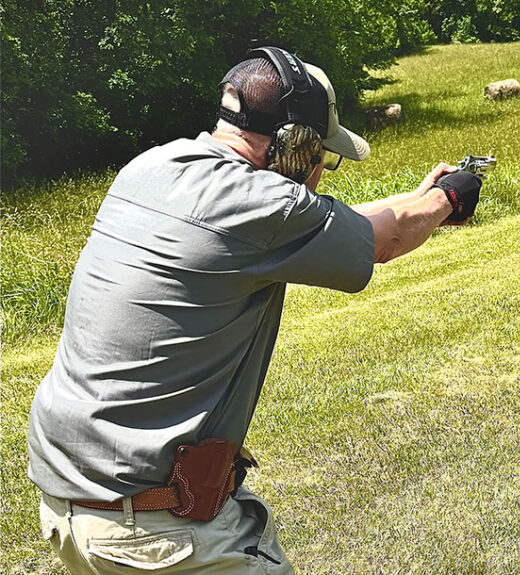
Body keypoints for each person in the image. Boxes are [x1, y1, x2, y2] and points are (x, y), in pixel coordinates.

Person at [27, 47, 482, 574]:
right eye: (322, 158)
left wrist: (416, 196)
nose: (320, 174)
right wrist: (451, 196)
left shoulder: (153, 168)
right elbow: (385, 239)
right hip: (157, 536)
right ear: (294, 145)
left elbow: (326, 224)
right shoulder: (265, 206)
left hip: (70, 509)